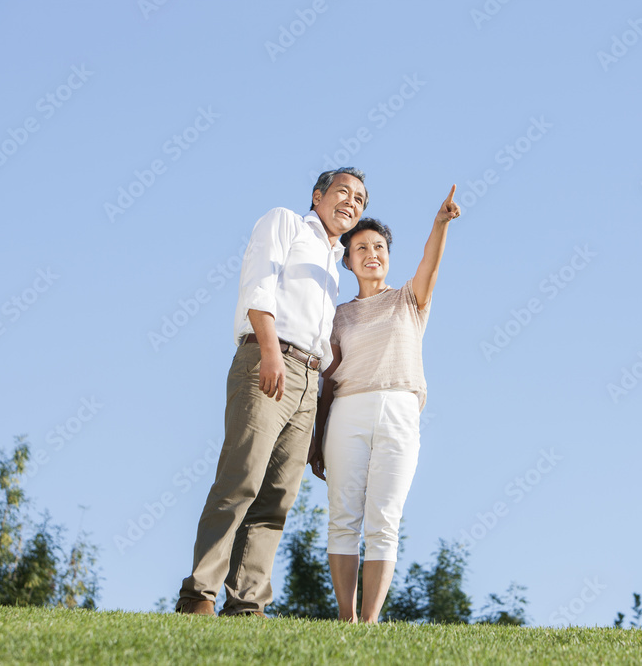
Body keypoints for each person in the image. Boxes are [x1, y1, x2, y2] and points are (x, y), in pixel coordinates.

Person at [176, 167, 368, 617]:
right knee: (240, 479)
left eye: (360, 200)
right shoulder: (284, 222)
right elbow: (258, 287)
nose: (352, 203)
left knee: (277, 497)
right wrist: (269, 351)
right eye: (343, 192)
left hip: (308, 379)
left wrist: (317, 415)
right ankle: (199, 593)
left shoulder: (333, 266)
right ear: (318, 196)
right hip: (269, 358)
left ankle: (246, 603)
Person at [308, 185, 461, 623]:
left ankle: (370, 621)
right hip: (346, 414)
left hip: (399, 412)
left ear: (387, 255)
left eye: (378, 246)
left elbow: (430, 264)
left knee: (384, 519)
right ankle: (346, 618)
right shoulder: (336, 315)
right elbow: (328, 383)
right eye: (360, 248)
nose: (371, 253)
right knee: (343, 517)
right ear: (348, 259)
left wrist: (439, 224)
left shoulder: (409, 300)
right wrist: (317, 439)